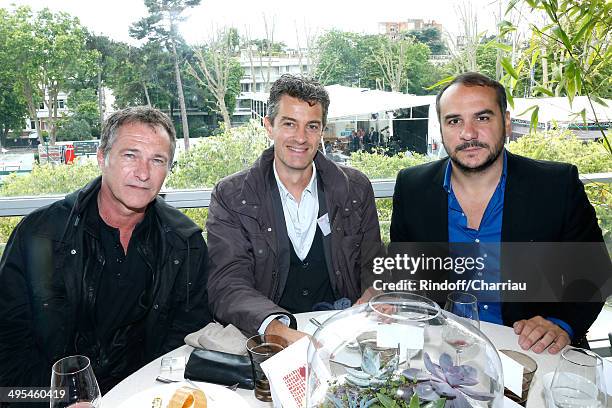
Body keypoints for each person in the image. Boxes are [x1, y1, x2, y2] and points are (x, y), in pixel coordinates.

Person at [390, 72, 610, 355]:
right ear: (442, 128)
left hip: (530, 350)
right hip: (441, 349)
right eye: (454, 120)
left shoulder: (556, 186)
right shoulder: (412, 187)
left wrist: (560, 324)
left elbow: (595, 273)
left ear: (506, 122)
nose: (468, 133)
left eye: (482, 118)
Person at [0, 107, 212, 397]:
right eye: (130, 155)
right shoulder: (41, 235)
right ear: (102, 158)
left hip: (144, 395)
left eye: (157, 160)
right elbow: (8, 347)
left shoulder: (185, 244)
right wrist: (59, 398)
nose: (142, 173)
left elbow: (185, 341)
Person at [207, 74, 382, 344]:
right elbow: (227, 283)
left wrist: (372, 295)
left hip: (340, 334)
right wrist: (276, 330)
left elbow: (374, 263)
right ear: (269, 126)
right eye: (289, 124)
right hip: (266, 337)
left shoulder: (355, 189)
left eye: (312, 126)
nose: (301, 138)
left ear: (322, 130)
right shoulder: (232, 196)